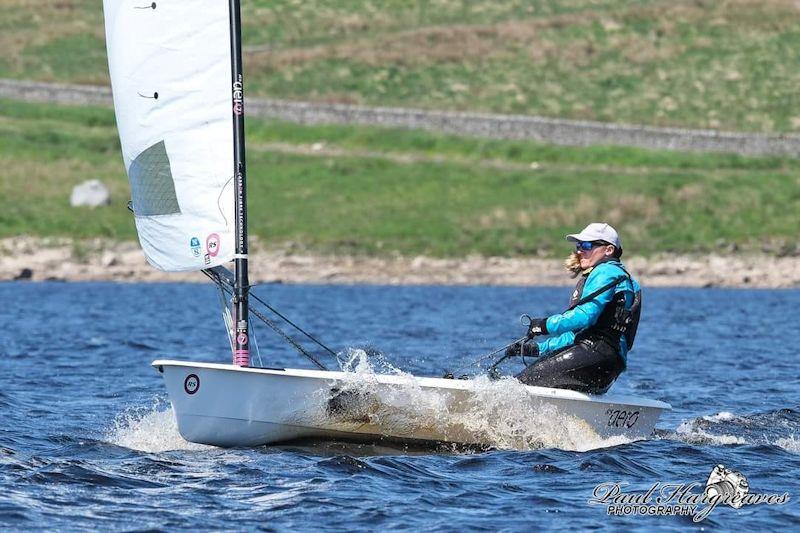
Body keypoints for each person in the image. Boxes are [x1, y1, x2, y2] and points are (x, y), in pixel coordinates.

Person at [506, 222, 641, 394]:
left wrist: (544, 325)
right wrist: (538, 348)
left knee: (519, 385)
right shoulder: (622, 279)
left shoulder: (606, 272)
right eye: (579, 245)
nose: (579, 250)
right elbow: (579, 333)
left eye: (587, 245)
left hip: (595, 355)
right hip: (607, 365)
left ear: (608, 250)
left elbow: (585, 316)